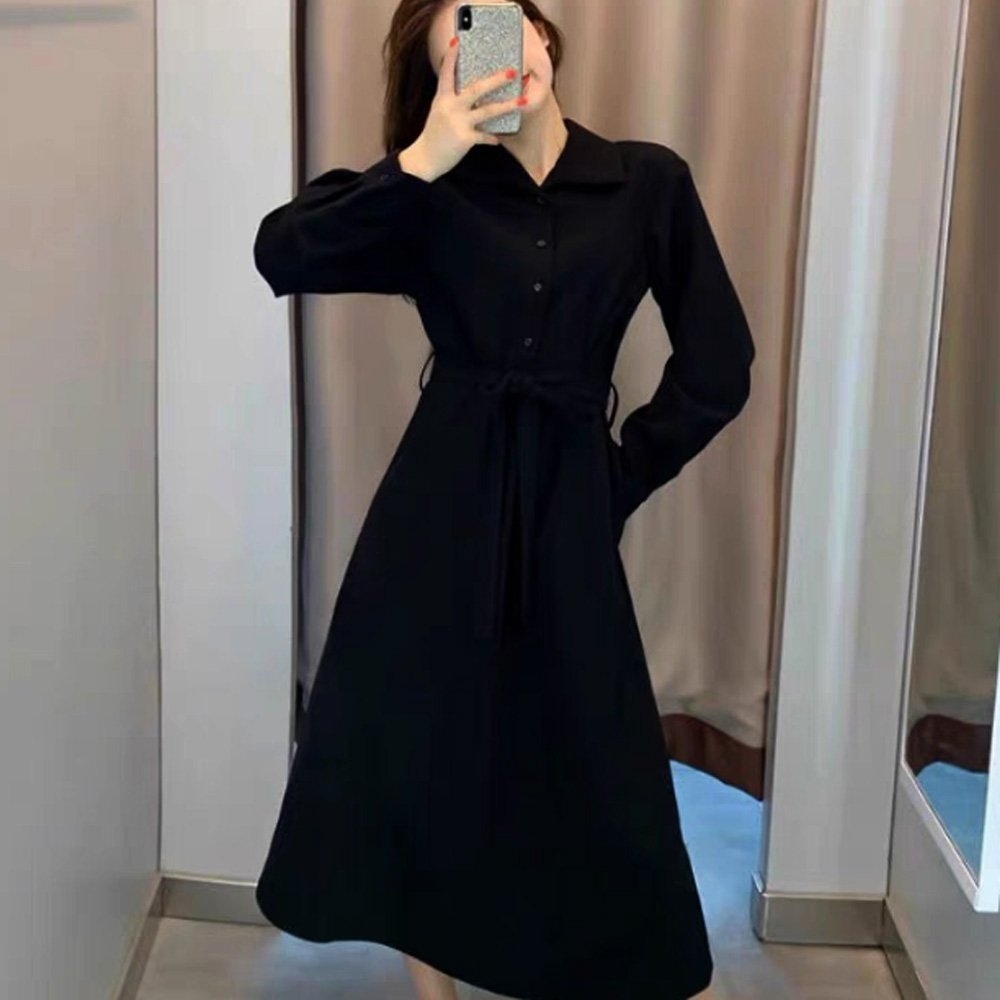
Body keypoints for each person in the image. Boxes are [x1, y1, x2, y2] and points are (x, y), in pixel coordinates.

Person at [251, 2, 754, 999]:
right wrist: (423, 158)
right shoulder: (428, 191)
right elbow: (283, 254)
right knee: (426, 739)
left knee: (594, 747)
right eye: (461, 42)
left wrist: (619, 475)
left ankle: (634, 966)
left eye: (502, 20)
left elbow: (718, 363)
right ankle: (433, 985)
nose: (494, 50)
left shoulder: (644, 182)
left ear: (544, 36)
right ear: (440, 76)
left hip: (567, 496)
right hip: (436, 505)